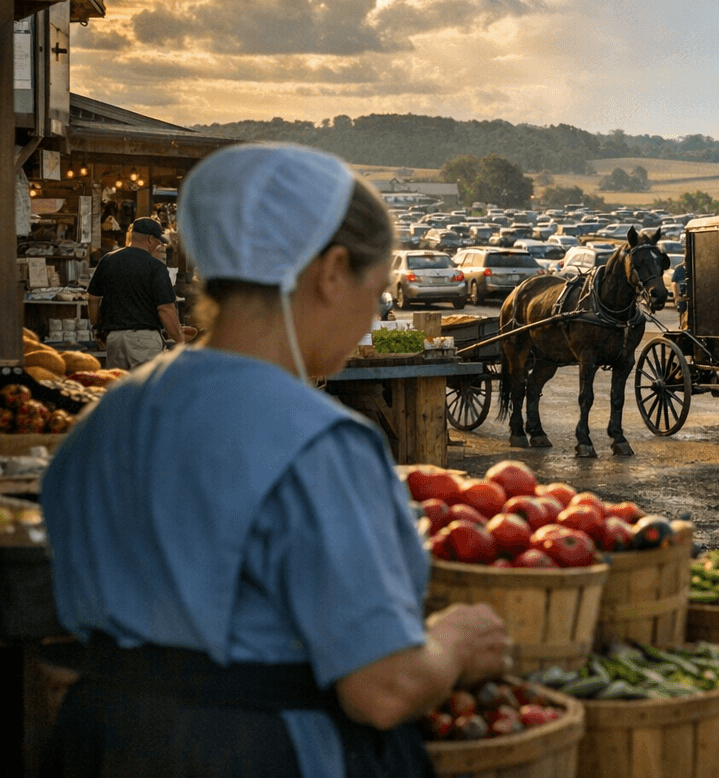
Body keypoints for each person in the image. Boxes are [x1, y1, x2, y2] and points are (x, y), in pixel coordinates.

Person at [42, 144, 510, 778]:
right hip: (251, 752)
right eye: (375, 293)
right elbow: (383, 689)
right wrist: (453, 643)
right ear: (333, 271)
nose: (370, 317)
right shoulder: (319, 442)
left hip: (98, 740)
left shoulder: (109, 416)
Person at [87, 217, 191, 369]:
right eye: (157, 241)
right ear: (150, 239)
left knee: (118, 381)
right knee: (144, 383)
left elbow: (92, 298)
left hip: (114, 339)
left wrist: (97, 327)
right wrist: (180, 340)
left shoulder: (107, 260)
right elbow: (165, 309)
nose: (158, 245)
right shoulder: (155, 267)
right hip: (144, 341)